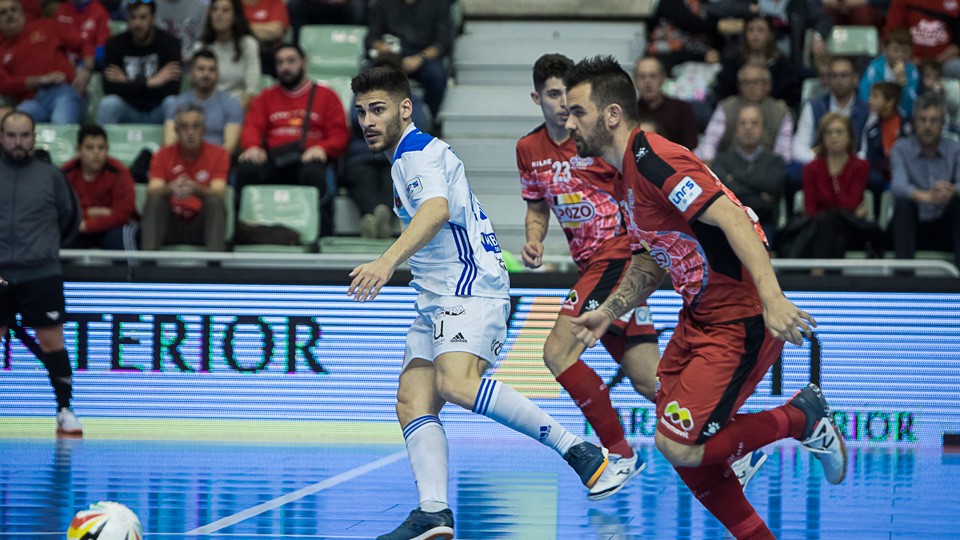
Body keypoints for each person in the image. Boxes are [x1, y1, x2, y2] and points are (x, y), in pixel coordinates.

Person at [563, 56, 847, 540]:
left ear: (611, 114)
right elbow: (653, 261)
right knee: (680, 445)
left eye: (577, 112)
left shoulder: (654, 157)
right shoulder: (625, 176)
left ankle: (800, 417)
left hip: (740, 317)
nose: (567, 124)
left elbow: (735, 218)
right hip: (700, 316)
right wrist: (608, 311)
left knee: (680, 446)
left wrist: (772, 298)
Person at [348, 66, 608, 540]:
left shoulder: (416, 153)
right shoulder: (407, 156)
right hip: (436, 291)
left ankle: (578, 450)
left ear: (405, 109)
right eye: (362, 111)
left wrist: (385, 262)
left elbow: (436, 210)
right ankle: (433, 512)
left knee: (456, 384)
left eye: (378, 109)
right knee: (412, 399)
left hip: (466, 285)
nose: (367, 119)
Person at [0, 111, 83, 436]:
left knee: (53, 344)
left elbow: (70, 219)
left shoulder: (51, 176)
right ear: (2, 137)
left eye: (24, 135)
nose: (17, 142)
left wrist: (42, 249)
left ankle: (65, 410)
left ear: (34, 137)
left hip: (41, 273)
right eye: (11, 135)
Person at [237, 44, 349, 235]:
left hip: (307, 157)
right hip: (274, 158)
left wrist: (323, 148)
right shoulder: (265, 97)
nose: (285, 67)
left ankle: (321, 236)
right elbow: (252, 127)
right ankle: (244, 232)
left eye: (291, 61)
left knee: (315, 173)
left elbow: (339, 134)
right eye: (280, 62)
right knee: (246, 169)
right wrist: (253, 146)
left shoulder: (326, 96)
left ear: (304, 63)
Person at [342, 53, 430, 239]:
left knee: (394, 178)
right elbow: (356, 119)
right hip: (363, 155)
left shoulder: (411, 99)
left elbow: (420, 124)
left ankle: (377, 217)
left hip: (397, 156)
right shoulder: (361, 97)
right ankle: (375, 216)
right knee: (362, 177)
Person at [143, 104, 229, 251]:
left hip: (201, 226)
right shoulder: (162, 155)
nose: (190, 133)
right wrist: (171, 188)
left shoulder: (219, 154)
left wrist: (195, 188)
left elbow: (220, 192)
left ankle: (215, 267)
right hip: (171, 224)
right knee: (155, 201)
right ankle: (147, 266)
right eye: (184, 127)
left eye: (196, 126)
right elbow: (152, 190)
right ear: (176, 130)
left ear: (204, 130)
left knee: (215, 202)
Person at [890, 93, 960, 269]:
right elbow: (898, 186)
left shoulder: (955, 148)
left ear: (943, 123)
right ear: (914, 122)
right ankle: (903, 283)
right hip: (912, 226)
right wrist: (928, 197)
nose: (928, 125)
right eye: (923, 120)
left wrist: (951, 191)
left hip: (945, 228)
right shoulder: (901, 148)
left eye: (934, 120)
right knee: (903, 204)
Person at [801, 113, 883, 263]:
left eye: (839, 132)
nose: (834, 137)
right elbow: (810, 210)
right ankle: (830, 281)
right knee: (831, 227)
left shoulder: (860, 166)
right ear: (822, 138)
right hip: (820, 229)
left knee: (831, 220)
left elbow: (850, 203)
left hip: (852, 229)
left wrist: (834, 178)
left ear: (849, 137)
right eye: (829, 132)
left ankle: (818, 273)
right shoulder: (811, 169)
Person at [0, 0, 93, 125]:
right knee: (13, 125)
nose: (10, 15)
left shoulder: (46, 26)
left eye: (13, 10)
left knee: (60, 123)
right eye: (3, 12)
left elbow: (84, 43)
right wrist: (41, 79)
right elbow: (4, 84)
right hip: (30, 101)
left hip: (62, 91)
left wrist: (86, 69)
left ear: (22, 14)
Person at [365, 0, 453, 122]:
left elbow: (443, 43)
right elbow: (371, 38)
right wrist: (385, 49)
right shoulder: (383, 3)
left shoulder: (439, 4)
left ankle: (427, 120)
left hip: (423, 55)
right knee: (369, 73)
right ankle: (377, 121)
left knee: (437, 75)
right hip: (391, 56)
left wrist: (420, 57)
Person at [96, 0, 182, 125]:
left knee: (172, 103)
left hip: (157, 110)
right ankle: (99, 144)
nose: (137, 23)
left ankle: (172, 145)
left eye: (143, 18)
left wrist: (127, 83)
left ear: (153, 19)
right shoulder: (114, 44)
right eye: (133, 17)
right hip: (127, 110)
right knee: (108, 104)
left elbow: (172, 89)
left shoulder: (170, 44)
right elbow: (109, 88)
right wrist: (152, 82)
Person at [712, 104, 786, 243]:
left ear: (763, 129)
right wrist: (759, 194)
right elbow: (722, 192)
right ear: (735, 129)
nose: (748, 127)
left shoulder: (775, 162)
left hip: (764, 224)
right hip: (727, 225)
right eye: (742, 123)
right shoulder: (721, 161)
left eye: (754, 123)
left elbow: (773, 187)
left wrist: (733, 178)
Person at [696, 62, 794, 165]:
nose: (751, 87)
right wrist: (709, 163)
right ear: (739, 86)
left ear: (768, 85)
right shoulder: (726, 107)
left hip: (767, 169)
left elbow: (783, 153)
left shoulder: (780, 111)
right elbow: (711, 141)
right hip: (728, 168)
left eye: (756, 82)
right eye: (746, 82)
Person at [62, 124, 138, 250]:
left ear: (107, 149)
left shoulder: (119, 172)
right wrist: (90, 212)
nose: (96, 153)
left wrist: (87, 225)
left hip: (113, 227)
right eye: (90, 148)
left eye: (101, 147)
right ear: (78, 150)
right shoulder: (66, 173)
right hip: (79, 227)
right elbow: (62, 212)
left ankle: (131, 271)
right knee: (63, 237)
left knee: (120, 238)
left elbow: (122, 215)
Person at [711, 15, 803, 111]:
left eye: (760, 30)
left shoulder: (782, 64)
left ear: (770, 35)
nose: (755, 35)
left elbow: (792, 94)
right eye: (750, 30)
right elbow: (723, 92)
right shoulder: (733, 62)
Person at [163, 49, 243, 155]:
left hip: (216, 164)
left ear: (218, 75)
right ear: (191, 73)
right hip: (183, 163)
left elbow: (229, 148)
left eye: (212, 70)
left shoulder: (231, 105)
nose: (206, 74)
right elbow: (170, 144)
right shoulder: (175, 104)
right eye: (201, 69)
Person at [859, 81, 911, 216]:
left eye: (876, 97)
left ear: (890, 102)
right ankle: (875, 220)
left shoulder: (908, 126)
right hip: (881, 173)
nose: (870, 100)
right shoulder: (871, 127)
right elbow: (870, 157)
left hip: (904, 172)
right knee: (872, 179)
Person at [197, 0, 261, 109]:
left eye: (225, 10)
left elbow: (252, 89)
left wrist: (235, 110)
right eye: (215, 9)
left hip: (239, 105)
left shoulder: (248, 44)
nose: (218, 14)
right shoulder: (201, 47)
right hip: (208, 106)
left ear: (235, 16)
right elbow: (197, 87)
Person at [633, 56, 699, 150]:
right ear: (635, 81)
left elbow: (691, 146)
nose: (647, 81)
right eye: (642, 77)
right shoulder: (629, 113)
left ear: (663, 78)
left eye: (653, 76)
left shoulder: (682, 109)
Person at [885, 0, 960, 79]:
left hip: (942, 62)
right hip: (906, 58)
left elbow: (957, 46)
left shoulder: (957, 4)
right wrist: (908, 58)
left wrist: (935, 61)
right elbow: (893, 35)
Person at [858, 28, 920, 119]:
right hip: (874, 116)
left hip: (902, 118)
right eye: (895, 50)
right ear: (885, 49)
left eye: (905, 51)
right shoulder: (874, 68)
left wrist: (903, 83)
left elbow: (911, 107)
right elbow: (864, 95)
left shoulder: (913, 72)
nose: (900, 55)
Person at [54, 0, 111, 67]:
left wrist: (84, 63)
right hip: (62, 58)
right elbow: (54, 39)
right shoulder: (62, 9)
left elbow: (102, 46)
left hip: (86, 61)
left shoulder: (100, 12)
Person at [240, 0, 288, 77]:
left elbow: (277, 31)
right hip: (241, 52)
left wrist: (244, 27)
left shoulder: (274, 2)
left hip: (269, 53)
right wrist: (264, 29)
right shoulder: (233, 3)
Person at [288, 0, 365, 44]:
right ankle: (298, 50)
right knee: (295, 4)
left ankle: (356, 45)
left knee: (359, 6)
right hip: (314, 6)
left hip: (345, 7)